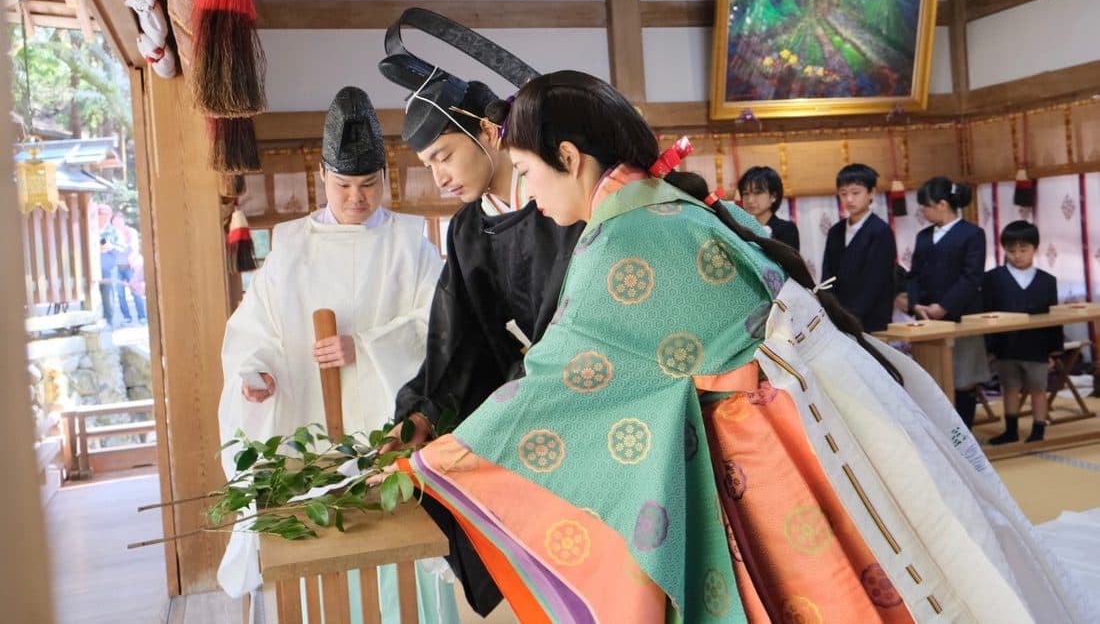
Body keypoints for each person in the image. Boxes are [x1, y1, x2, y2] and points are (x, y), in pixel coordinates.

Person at [402, 72, 1092, 623]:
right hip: (822, 407)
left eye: (528, 170)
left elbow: (564, 372)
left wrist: (444, 459)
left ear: (570, 159)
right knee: (915, 559)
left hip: (768, 441)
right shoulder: (666, 203)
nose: (530, 193)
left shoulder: (622, 239)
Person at [216, 86, 455, 621]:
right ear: (322, 176)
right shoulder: (291, 245)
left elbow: (439, 327)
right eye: (343, 185)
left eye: (368, 185)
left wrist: (365, 346)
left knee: (398, 559)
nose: (356, 198)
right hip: (309, 428)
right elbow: (257, 328)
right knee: (320, 559)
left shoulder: (409, 242)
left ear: (384, 179)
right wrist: (258, 372)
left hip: (388, 431)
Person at [378, 11, 584, 615]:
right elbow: (456, 335)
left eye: (443, 155)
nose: (438, 176)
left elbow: (570, 320)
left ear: (489, 134)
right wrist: (424, 411)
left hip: (586, 386)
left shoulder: (560, 203)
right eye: (428, 166)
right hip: (531, 394)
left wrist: (505, 412)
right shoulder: (469, 228)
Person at [908, 176, 987, 428]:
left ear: (942, 204)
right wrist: (916, 304)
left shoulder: (972, 234)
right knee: (932, 378)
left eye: (926, 206)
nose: (923, 211)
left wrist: (945, 307)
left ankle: (965, 431)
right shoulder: (923, 237)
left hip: (960, 316)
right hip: (927, 319)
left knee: (963, 377)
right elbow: (914, 274)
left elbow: (971, 276)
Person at [984, 221, 1062, 445]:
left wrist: (1054, 352)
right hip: (1005, 345)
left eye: (1023, 249)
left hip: (1037, 345)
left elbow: (1054, 319)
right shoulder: (993, 278)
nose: (1017, 255)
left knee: (1039, 389)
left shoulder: (1047, 281)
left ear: (1035, 248)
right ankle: (1011, 430)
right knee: (1009, 388)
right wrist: (990, 349)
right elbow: (986, 314)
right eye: (1011, 250)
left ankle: (1038, 429)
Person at [821, 164, 897, 332]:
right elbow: (827, 274)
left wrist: (852, 314)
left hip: (871, 317)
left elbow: (876, 280)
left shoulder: (880, 231)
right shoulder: (835, 231)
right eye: (843, 194)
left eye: (855, 193)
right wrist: (830, 307)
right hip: (838, 316)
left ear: (871, 193)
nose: (849, 199)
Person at [737, 165, 800, 250]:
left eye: (757, 193)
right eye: (746, 193)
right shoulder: (742, 228)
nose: (750, 200)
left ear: (773, 196)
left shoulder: (786, 229)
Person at [109, 212, 146, 324]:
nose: (117, 223)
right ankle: (127, 317)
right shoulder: (110, 234)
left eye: (119, 220)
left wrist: (131, 257)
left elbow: (135, 248)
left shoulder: (131, 232)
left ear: (123, 220)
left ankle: (142, 316)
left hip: (130, 266)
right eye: (114, 221)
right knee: (120, 294)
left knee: (135, 291)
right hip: (117, 266)